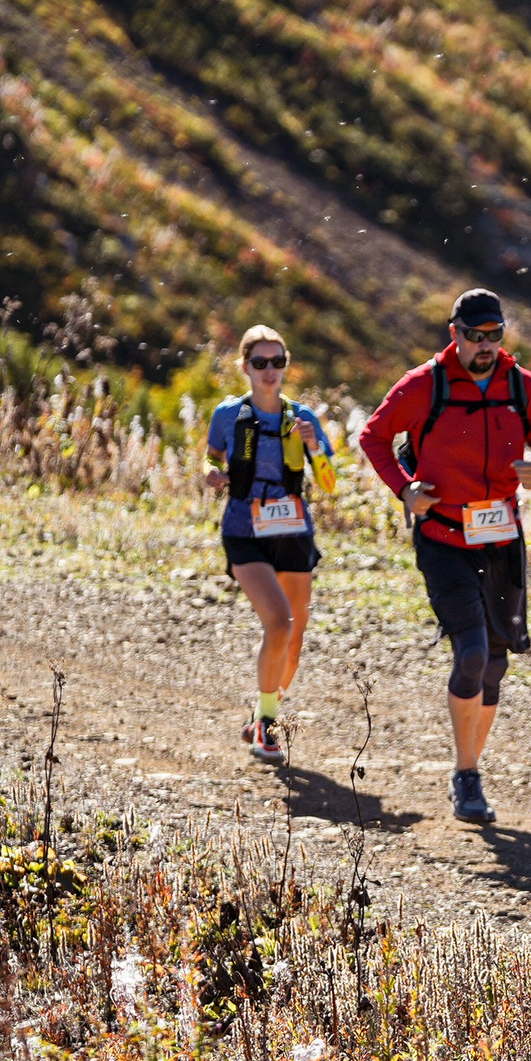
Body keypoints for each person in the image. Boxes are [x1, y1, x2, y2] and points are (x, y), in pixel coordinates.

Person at [357, 289, 531, 823]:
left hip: (502, 540)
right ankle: (466, 774)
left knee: (496, 665)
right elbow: (374, 437)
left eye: (493, 335)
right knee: (472, 652)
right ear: (453, 333)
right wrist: (405, 488)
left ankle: (471, 768)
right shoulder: (424, 385)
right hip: (443, 540)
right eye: (474, 335)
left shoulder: (523, 389)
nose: (484, 345)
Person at [203, 325, 337, 763]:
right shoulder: (227, 414)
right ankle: (266, 726)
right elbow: (212, 456)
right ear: (245, 366)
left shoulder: (303, 417)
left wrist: (314, 446)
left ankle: (264, 709)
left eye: (277, 362)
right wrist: (213, 474)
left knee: (294, 642)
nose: (269, 371)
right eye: (259, 363)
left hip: (293, 532)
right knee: (278, 623)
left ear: (286, 365)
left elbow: (330, 483)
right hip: (244, 529)